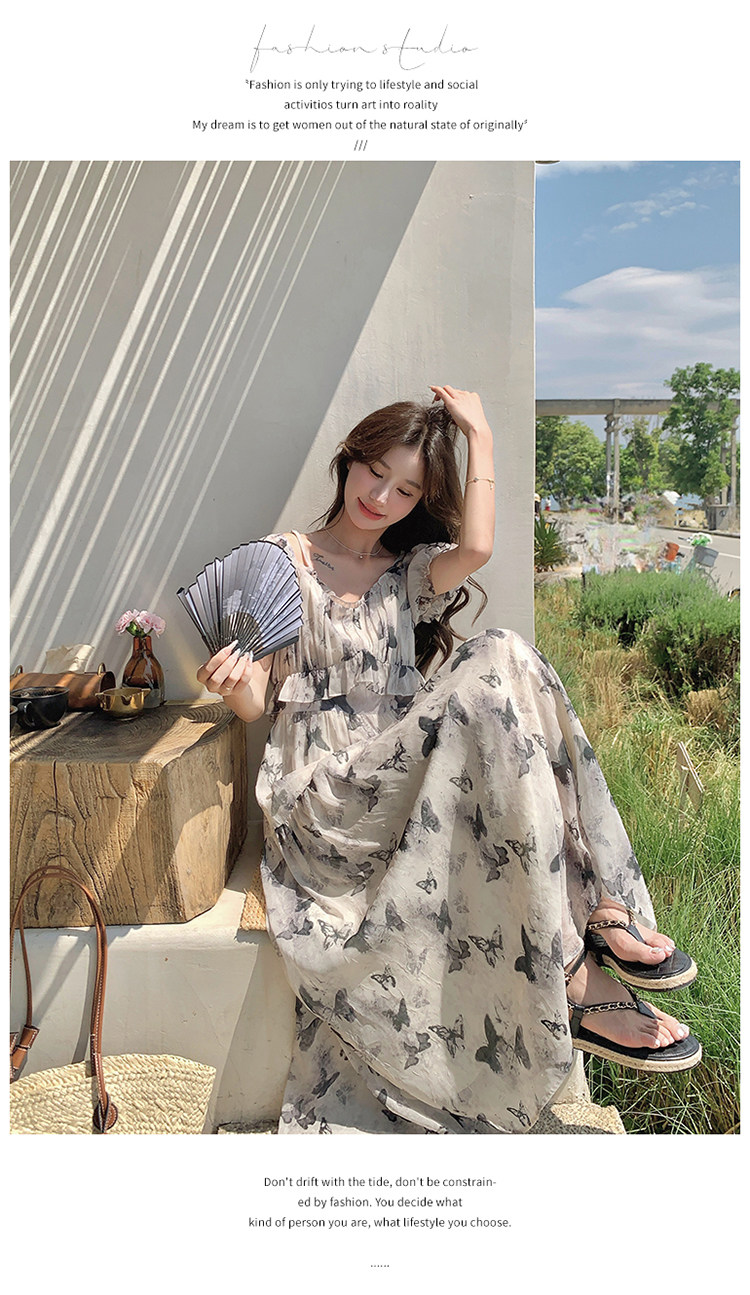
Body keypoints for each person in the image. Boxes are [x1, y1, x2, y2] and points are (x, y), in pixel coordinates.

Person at [197, 386, 700, 1134]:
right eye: (375, 473)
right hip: (323, 802)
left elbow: (478, 547)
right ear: (349, 461)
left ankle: (591, 923)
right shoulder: (281, 564)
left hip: (402, 778)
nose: (382, 498)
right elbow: (257, 703)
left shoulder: (406, 573)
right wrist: (233, 684)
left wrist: (480, 436)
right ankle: (583, 949)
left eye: (406, 491)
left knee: (505, 653)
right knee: (497, 658)